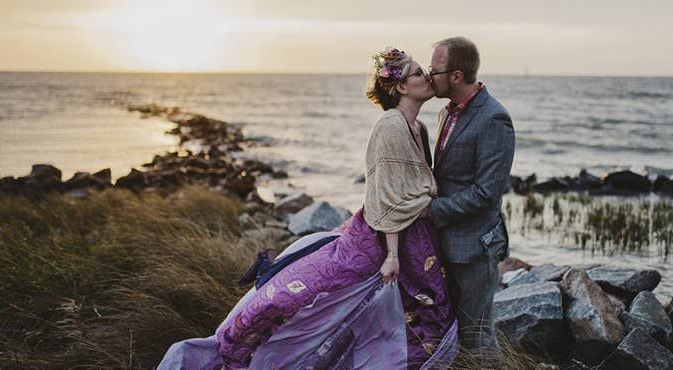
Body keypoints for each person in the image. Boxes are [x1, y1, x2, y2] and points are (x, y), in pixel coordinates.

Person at [157, 47, 457, 370]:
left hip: (414, 234)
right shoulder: (390, 125)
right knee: (315, 300)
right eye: (416, 73)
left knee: (420, 313)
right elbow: (386, 197)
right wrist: (393, 255)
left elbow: (411, 187)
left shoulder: (418, 128)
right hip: (386, 238)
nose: (425, 76)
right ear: (400, 87)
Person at [425, 36, 516, 354]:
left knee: (476, 337)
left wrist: (431, 211)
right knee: (451, 333)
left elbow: (486, 194)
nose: (428, 76)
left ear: (456, 76)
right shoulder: (445, 113)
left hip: (475, 247)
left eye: (433, 70)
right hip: (448, 242)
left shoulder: (493, 119)